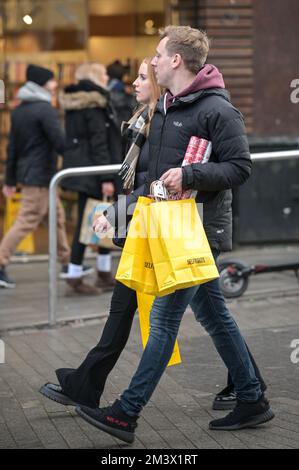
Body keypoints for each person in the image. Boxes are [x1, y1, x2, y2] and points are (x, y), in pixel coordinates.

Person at [74, 26, 274, 444]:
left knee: (163, 322)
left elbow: (240, 168)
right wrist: (118, 212)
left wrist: (190, 173)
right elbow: (151, 178)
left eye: (159, 54)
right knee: (214, 316)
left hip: (197, 232)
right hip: (167, 229)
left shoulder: (217, 110)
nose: (154, 61)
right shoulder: (164, 108)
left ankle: (125, 413)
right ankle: (252, 398)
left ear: (176, 61)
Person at [0, 64, 70, 288]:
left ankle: (68, 263)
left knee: (57, 219)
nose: (55, 84)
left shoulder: (20, 109)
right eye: (51, 81)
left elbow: (12, 147)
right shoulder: (45, 109)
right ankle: (0, 262)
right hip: (41, 176)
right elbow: (59, 142)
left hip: (33, 174)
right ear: (42, 84)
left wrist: (10, 179)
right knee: (26, 221)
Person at [58, 63, 122, 294]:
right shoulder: (95, 103)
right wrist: (107, 175)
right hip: (97, 171)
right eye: (103, 74)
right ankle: (76, 274)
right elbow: (99, 142)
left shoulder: (75, 102)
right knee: (92, 222)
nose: (107, 77)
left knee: (100, 218)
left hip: (84, 169)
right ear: (94, 77)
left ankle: (102, 272)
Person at [107, 60, 136, 128]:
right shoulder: (125, 91)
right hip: (123, 124)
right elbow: (134, 106)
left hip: (111, 125)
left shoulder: (106, 88)